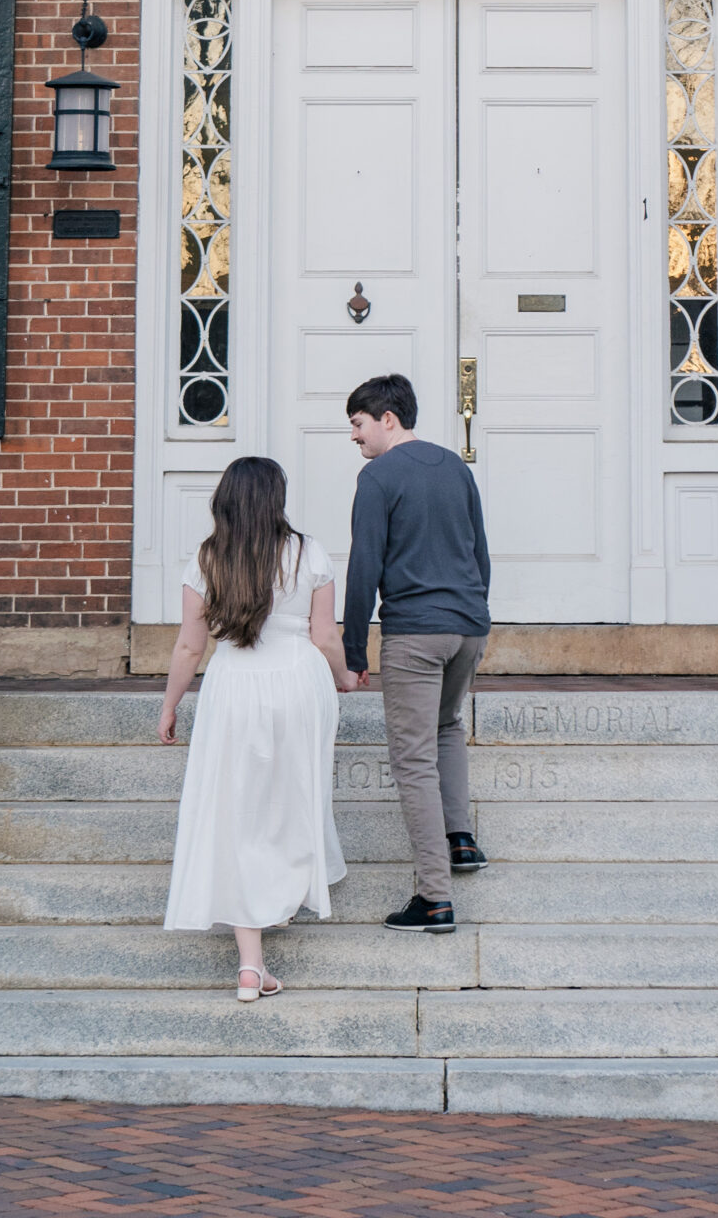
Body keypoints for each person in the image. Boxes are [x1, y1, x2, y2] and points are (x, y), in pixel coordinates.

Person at [159, 455, 355, 999]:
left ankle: (251, 963)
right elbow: (325, 637)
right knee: (294, 798)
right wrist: (344, 678)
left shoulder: (206, 558)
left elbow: (189, 645)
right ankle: (281, 900)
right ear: (275, 499)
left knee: (239, 810)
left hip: (234, 685)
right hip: (298, 680)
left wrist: (170, 705)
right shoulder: (307, 550)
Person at [342, 372, 492, 933]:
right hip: (468, 627)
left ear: (387, 419)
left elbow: (363, 568)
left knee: (412, 759)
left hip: (415, 634)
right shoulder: (456, 466)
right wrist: (476, 612)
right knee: (447, 727)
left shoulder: (377, 477)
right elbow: (481, 551)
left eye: (358, 425)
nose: (354, 437)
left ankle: (434, 898)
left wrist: (355, 650)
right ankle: (461, 841)